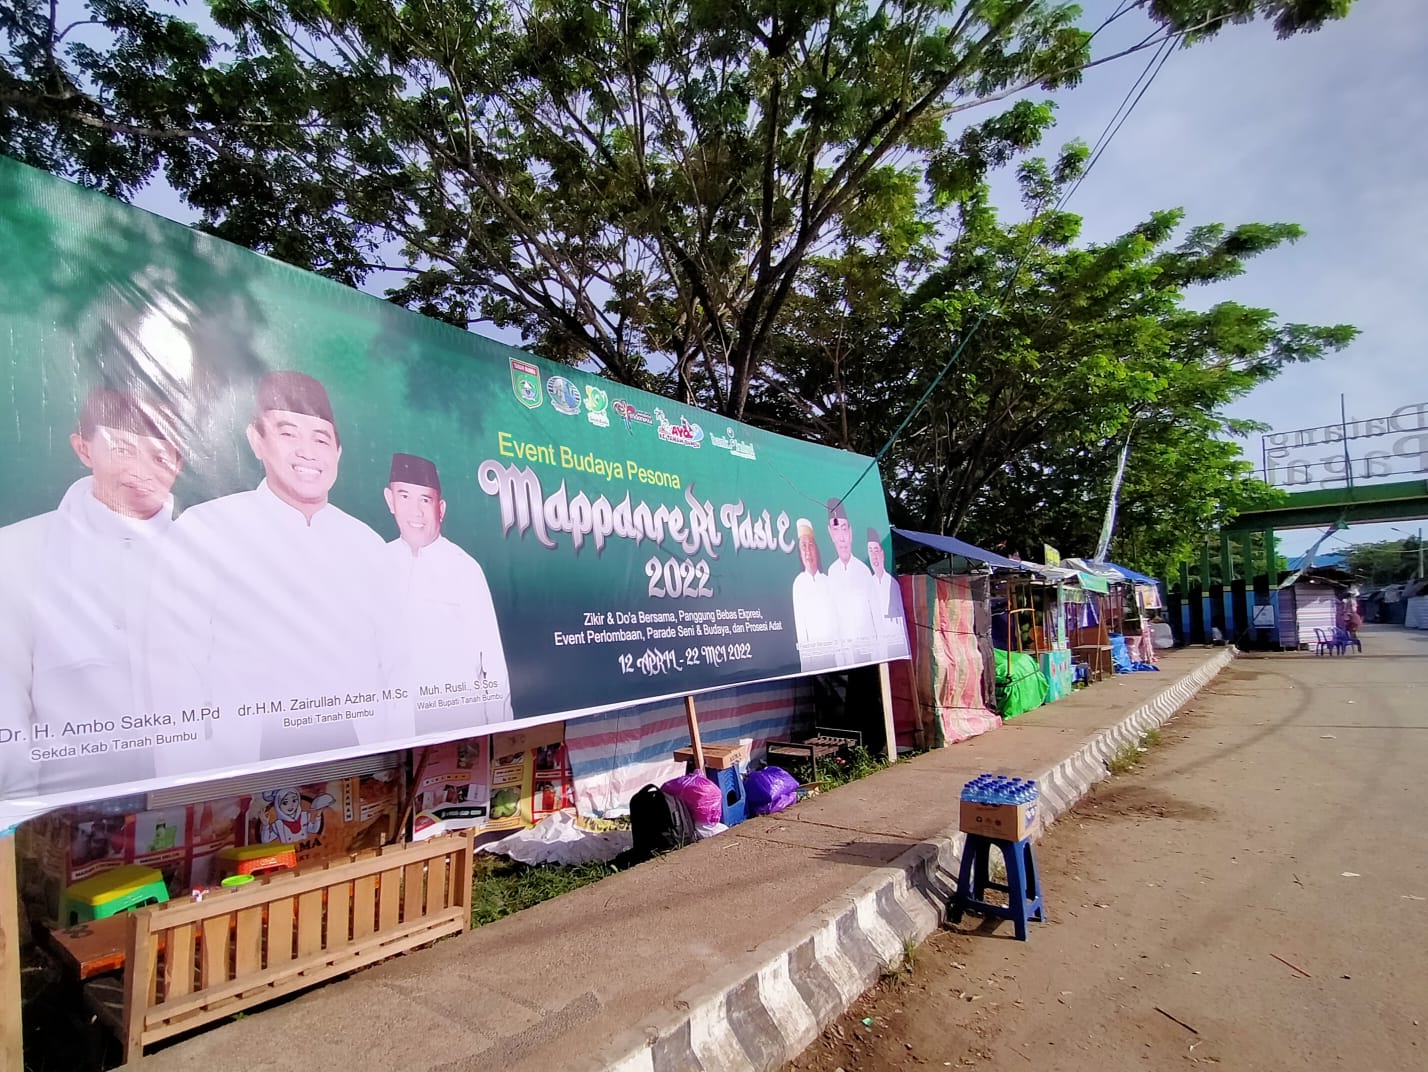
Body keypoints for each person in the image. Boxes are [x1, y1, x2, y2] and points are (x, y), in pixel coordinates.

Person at [144, 370, 398, 776]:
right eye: (287, 433)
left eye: (320, 438)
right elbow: (174, 671)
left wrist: (391, 759)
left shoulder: (366, 544)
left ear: (338, 453)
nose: (307, 452)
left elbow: (393, 667)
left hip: (358, 752)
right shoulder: (207, 528)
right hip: (244, 761)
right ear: (256, 440)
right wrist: (191, 782)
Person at [0, 387, 184, 798]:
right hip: (58, 822)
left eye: (160, 454)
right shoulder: (15, 552)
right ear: (83, 449)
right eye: (122, 449)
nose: (142, 469)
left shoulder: (208, 556)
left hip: (202, 807)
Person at [384, 452, 512, 734]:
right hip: (393, 732)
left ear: (440, 508)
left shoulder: (465, 569)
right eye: (405, 497)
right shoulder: (376, 564)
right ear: (389, 500)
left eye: (425, 500)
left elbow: (493, 664)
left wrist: (501, 733)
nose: (415, 512)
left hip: (462, 728)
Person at [823, 499, 878, 663]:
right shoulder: (831, 573)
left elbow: (875, 616)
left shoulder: (864, 571)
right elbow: (833, 618)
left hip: (868, 651)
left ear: (851, 532)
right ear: (830, 534)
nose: (842, 537)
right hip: (845, 655)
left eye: (844, 529)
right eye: (836, 529)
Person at [790, 518, 838, 671]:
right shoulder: (798, 584)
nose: (807, 551)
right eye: (803, 546)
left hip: (835, 656)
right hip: (814, 662)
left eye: (810, 545)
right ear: (799, 552)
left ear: (816, 549)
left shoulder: (828, 581)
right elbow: (801, 632)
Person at [865, 528, 910, 661]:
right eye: (870, 551)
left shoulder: (892, 583)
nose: (874, 556)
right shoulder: (867, 582)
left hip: (894, 641)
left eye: (876, 550)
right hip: (873, 643)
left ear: (882, 553)